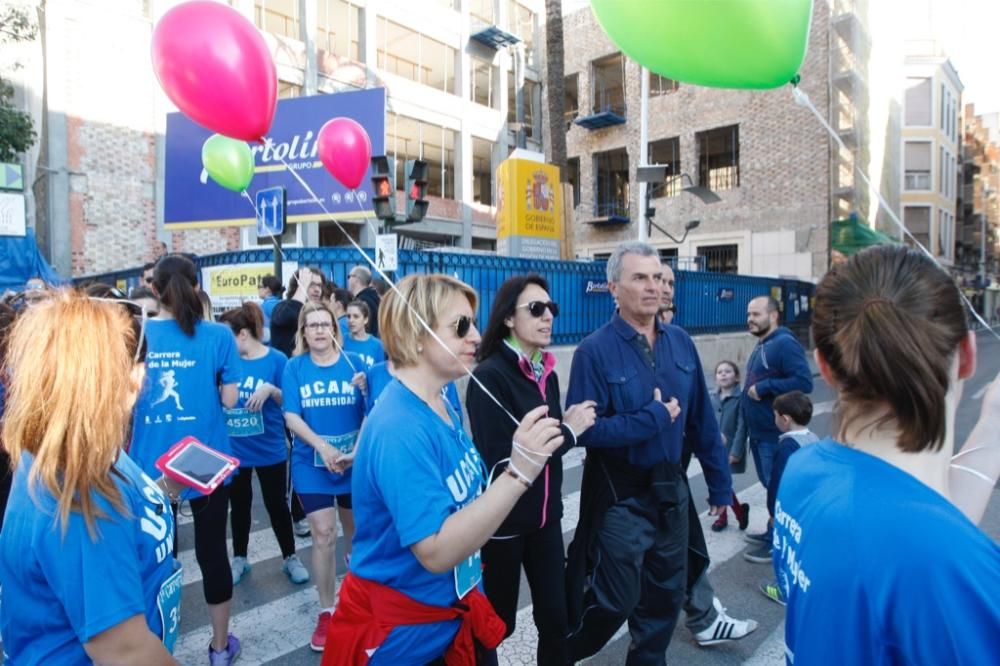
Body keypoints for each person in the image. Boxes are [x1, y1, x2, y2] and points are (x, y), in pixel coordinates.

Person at [774, 244, 1000, 664]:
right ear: (968, 355)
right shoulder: (962, 579)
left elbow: (918, 528)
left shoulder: (803, 469)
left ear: (824, 366)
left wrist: (994, 423)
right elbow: (922, 551)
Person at [325, 274, 566, 665]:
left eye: (473, 323)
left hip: (452, 616)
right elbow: (435, 550)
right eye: (460, 326)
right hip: (408, 638)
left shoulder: (440, 402)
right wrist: (520, 471)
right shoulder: (400, 425)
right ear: (416, 334)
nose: (475, 335)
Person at [565, 242, 734, 664]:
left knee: (664, 598)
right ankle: (561, 652)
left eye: (657, 277)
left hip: (671, 494)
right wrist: (652, 418)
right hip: (622, 498)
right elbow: (587, 432)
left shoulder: (681, 343)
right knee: (615, 600)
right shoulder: (594, 351)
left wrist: (720, 485)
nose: (653, 286)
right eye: (639, 277)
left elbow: (703, 424)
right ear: (613, 288)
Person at [0, 292, 180, 664]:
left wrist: (163, 491)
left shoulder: (70, 451)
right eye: (130, 357)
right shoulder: (78, 490)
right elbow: (125, 653)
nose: (142, 371)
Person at [466, 274, 596, 664]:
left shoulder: (548, 372)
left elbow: (546, 440)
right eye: (535, 309)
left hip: (546, 521)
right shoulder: (489, 376)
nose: (547, 317)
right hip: (504, 524)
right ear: (508, 317)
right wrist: (570, 432)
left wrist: (564, 432)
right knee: (497, 623)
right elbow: (499, 462)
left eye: (550, 309)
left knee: (556, 618)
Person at [129, 254, 242, 665]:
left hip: (148, 466)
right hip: (206, 460)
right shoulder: (219, 335)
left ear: (154, 289)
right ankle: (218, 649)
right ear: (197, 287)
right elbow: (230, 399)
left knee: (158, 562)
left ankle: (157, 650)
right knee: (213, 554)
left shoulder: (135, 335)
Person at [281, 301, 366, 652]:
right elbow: (291, 416)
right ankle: (327, 610)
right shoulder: (294, 368)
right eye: (312, 325)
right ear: (303, 332)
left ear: (336, 328)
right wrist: (323, 448)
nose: (319, 330)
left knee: (356, 536)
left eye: (325, 324)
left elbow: (373, 414)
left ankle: (360, 597)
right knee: (323, 533)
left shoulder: (357, 365)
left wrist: (354, 451)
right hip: (311, 463)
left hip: (351, 463)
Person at [218, 303, 309, 587]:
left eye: (227, 337)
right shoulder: (226, 361)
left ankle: (290, 557)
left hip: (270, 449)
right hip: (235, 451)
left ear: (242, 334)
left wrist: (271, 390)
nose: (224, 344)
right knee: (239, 506)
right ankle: (240, 558)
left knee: (276, 505)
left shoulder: (277, 360)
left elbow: (291, 403)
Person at [741, 294, 812, 547]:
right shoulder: (763, 343)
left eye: (756, 314)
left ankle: (780, 542)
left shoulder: (784, 343)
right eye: (749, 314)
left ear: (773, 316)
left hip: (774, 435)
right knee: (771, 488)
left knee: (779, 490)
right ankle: (773, 530)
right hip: (761, 433)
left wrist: (765, 387)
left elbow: (804, 382)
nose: (750, 319)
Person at [756, 390, 818, 602]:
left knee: (787, 551)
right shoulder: (813, 438)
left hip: (792, 509)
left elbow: (778, 482)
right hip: (811, 507)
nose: (774, 419)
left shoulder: (786, 447)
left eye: (775, 415)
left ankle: (784, 590)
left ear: (785, 419)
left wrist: (773, 511)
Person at [708, 360, 750, 532]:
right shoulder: (712, 397)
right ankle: (738, 512)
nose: (723, 374)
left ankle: (727, 516)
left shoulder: (741, 398)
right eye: (720, 372)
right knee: (718, 482)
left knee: (722, 482)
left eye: (728, 371)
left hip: (730, 449)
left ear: (736, 376)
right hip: (713, 448)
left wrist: (736, 451)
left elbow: (742, 427)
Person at [270, 266, 327, 357]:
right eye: (311, 284)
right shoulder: (281, 307)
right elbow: (288, 316)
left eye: (319, 285)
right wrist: (303, 286)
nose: (317, 290)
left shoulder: (320, 313)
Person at [342, 300, 385, 370]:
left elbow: (379, 371)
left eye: (356, 316)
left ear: (366, 319)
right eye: (348, 316)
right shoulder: (342, 340)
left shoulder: (377, 344)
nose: (351, 320)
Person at [347, 265, 380, 336]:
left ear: (356, 279)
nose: (348, 280)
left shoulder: (362, 301)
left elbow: (364, 329)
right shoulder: (373, 297)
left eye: (349, 277)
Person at [258, 274, 285, 338]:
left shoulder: (266, 305)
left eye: (259, 286)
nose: (258, 289)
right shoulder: (282, 303)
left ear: (267, 289)